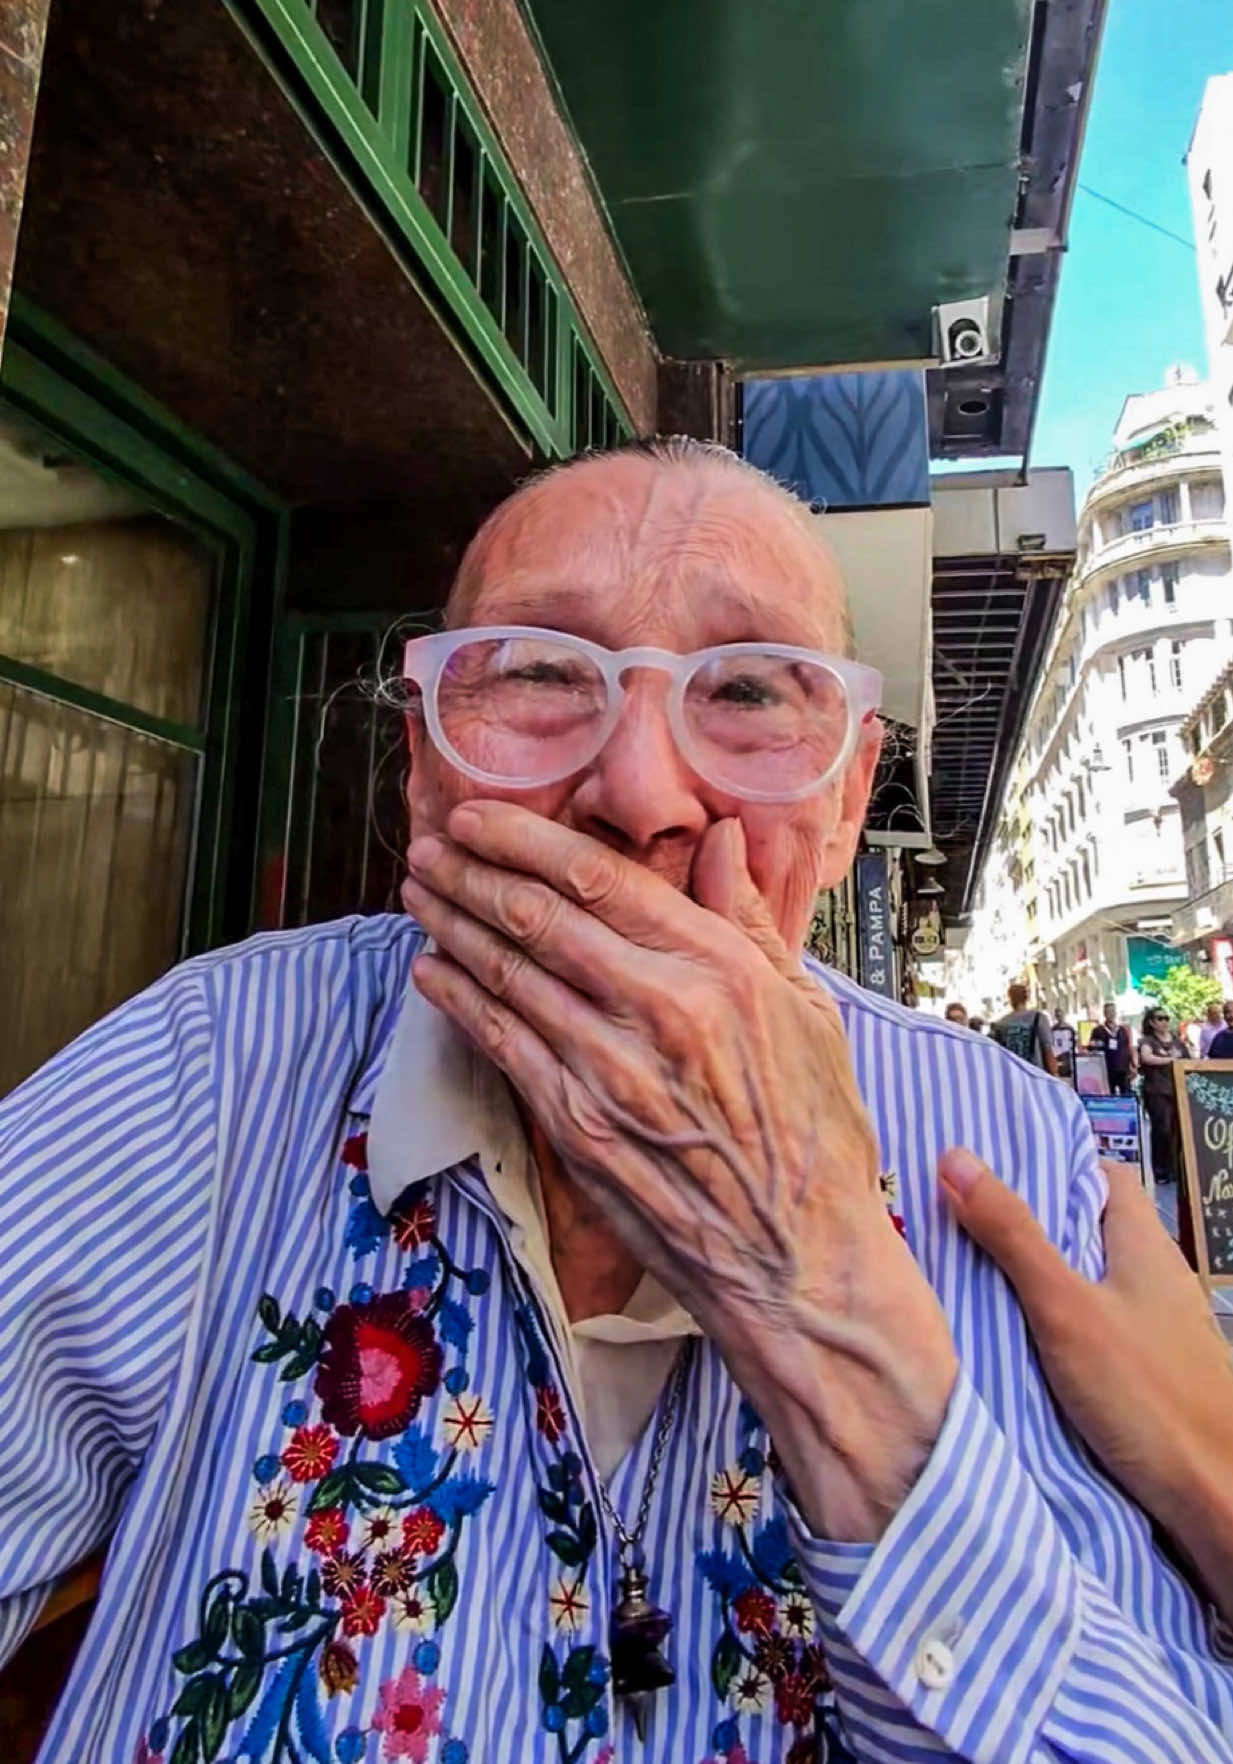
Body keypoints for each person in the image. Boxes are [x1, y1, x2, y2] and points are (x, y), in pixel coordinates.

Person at [2, 439, 1232, 1764]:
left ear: (844, 801)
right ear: (423, 766)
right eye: (538, 672)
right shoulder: (219, 1065)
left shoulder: (1015, 1160)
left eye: (751, 689)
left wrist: (818, 1290)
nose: (639, 795)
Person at [1138, 1005, 1189, 1186]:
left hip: (1177, 1090)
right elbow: (1146, 1058)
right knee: (1162, 1129)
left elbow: (1187, 1060)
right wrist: (1170, 1059)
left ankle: (1175, 1169)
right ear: (1152, 1022)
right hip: (1156, 1091)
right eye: (1160, 1018)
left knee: (1177, 1130)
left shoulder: (1177, 1041)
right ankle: (1160, 1170)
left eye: (1166, 1018)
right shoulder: (1147, 1041)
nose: (1164, 1022)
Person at [990, 980, 1059, 1074]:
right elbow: (1047, 1051)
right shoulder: (1039, 1018)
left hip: (1012, 1076)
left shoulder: (1001, 1024)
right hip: (1035, 1075)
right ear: (1026, 998)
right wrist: (1054, 1075)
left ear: (1010, 999)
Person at [1088, 1000, 1136, 1094]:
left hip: (1123, 1068)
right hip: (1107, 1068)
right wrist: (1101, 1044)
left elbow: (1127, 1047)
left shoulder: (1122, 1030)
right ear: (1104, 1013)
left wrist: (1132, 1065)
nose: (1111, 1014)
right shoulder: (1098, 1030)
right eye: (1108, 1012)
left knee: (1126, 1093)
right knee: (1110, 1093)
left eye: (1113, 1011)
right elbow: (1091, 1046)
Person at [1051, 1006, 1076, 1081]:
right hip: (1057, 1057)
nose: (1059, 1016)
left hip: (1068, 1057)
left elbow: (1073, 1043)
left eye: (1060, 1014)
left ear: (1064, 1015)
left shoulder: (1070, 1028)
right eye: (1057, 1015)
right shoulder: (1052, 1029)